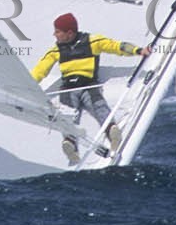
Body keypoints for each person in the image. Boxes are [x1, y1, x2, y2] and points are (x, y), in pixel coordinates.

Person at [30, 12, 151, 163]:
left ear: (69, 33)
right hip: (68, 88)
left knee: (98, 107)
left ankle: (111, 132)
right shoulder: (56, 50)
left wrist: (138, 51)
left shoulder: (93, 41)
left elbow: (115, 46)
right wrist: (28, 86)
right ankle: (70, 143)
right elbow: (40, 70)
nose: (54, 34)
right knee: (67, 115)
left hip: (88, 86)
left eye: (58, 31)